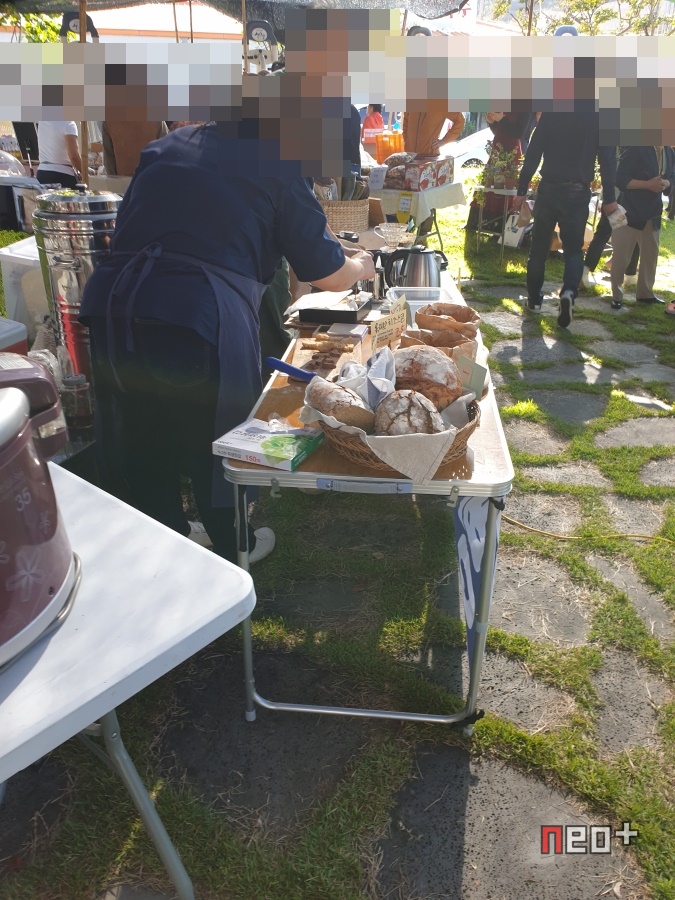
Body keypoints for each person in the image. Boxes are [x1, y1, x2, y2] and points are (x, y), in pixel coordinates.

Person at [79, 122, 374, 566]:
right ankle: (235, 544)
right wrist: (362, 266)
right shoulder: (279, 160)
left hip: (115, 305)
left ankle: (166, 536)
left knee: (142, 428)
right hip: (195, 313)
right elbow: (328, 274)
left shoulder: (168, 144)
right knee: (213, 435)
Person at [513, 112, 617, 328]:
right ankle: (569, 291)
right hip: (578, 190)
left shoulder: (552, 113)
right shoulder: (599, 116)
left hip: (549, 188)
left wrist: (522, 189)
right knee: (574, 250)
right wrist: (609, 198)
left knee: (538, 249)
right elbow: (608, 161)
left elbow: (534, 151)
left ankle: (534, 300)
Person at [609, 144, 674, 310]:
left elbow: (672, 177)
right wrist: (647, 184)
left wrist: (667, 183)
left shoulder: (668, 152)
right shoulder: (637, 148)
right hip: (629, 211)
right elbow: (621, 179)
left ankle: (645, 294)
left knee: (651, 255)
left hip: (653, 213)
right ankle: (616, 295)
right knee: (621, 256)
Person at [466, 111, 532, 231]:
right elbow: (499, 131)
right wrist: (492, 123)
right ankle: (481, 222)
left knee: (507, 183)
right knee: (489, 182)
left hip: (512, 149)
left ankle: (502, 224)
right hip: (498, 146)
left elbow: (518, 133)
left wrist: (502, 119)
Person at [101, 120, 168, 176]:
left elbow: (109, 159)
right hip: (152, 179)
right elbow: (167, 153)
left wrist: (115, 182)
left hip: (122, 182)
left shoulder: (109, 121)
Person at [36, 120, 82, 188]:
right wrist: (84, 172)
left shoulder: (43, 122)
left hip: (42, 172)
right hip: (62, 175)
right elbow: (73, 156)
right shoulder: (69, 123)